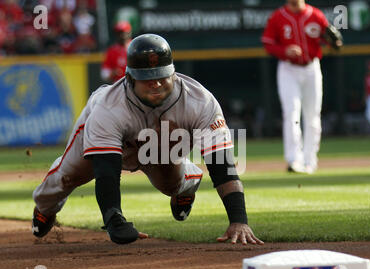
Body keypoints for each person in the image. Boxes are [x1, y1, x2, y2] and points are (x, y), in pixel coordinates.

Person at [32, 33, 264, 246]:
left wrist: (238, 220)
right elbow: (106, 172)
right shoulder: (108, 107)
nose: (156, 83)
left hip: (160, 141)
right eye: (146, 78)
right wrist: (114, 219)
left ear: (173, 72)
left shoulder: (200, 101)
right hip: (107, 138)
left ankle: (189, 180)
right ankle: (44, 209)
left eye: (162, 75)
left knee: (171, 185)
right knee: (68, 176)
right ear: (130, 78)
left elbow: (222, 166)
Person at [262, 0, 343, 174]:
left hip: (311, 68)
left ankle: (310, 161)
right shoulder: (277, 17)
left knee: (313, 116)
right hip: (288, 69)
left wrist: (335, 43)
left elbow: (332, 41)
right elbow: (268, 43)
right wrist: (284, 51)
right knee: (291, 113)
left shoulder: (316, 15)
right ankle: (294, 160)